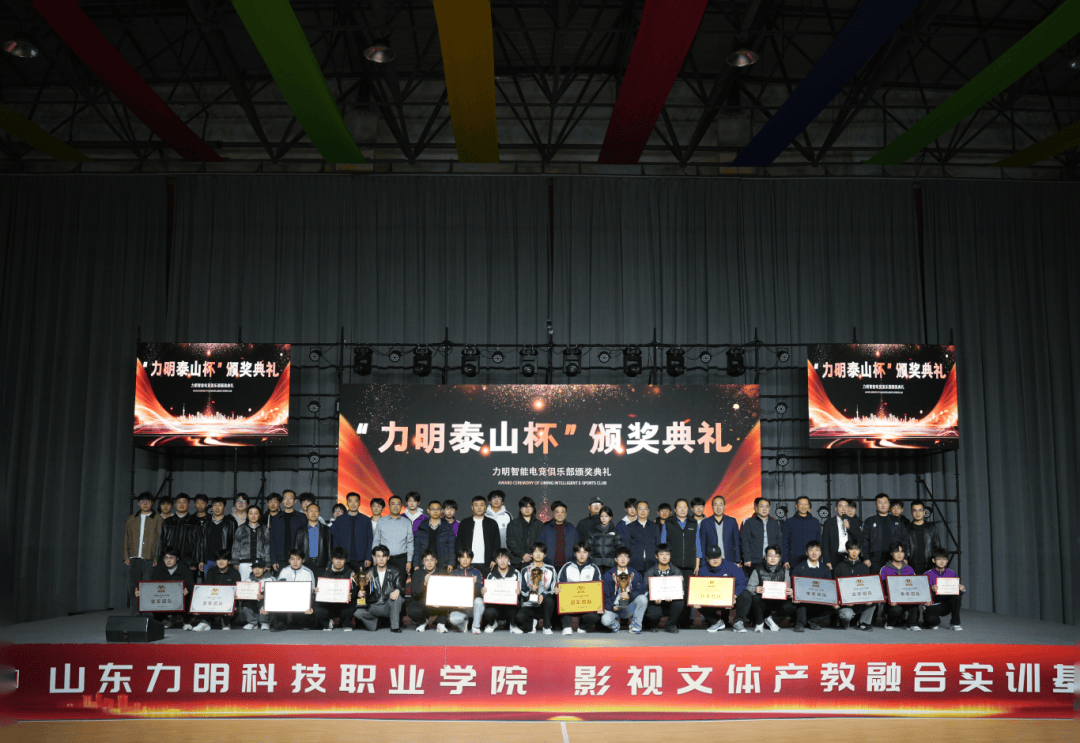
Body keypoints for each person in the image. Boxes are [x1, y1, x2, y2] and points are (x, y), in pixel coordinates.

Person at [659, 499, 700, 627]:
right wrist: (665, 564)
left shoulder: (693, 523)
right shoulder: (668, 523)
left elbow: (698, 545)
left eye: (685, 507)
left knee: (687, 594)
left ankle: (685, 622)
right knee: (675, 593)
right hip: (673, 565)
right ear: (675, 509)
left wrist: (697, 564)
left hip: (689, 565)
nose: (682, 510)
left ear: (688, 509)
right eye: (680, 507)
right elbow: (663, 544)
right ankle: (674, 621)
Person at [735, 546, 794, 633]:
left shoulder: (784, 571)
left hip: (778, 600)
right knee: (756, 598)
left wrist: (790, 592)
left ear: (780, 558)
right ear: (765, 557)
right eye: (770, 555)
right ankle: (759, 623)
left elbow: (788, 589)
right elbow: (749, 587)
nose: (773, 558)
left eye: (776, 556)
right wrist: (755, 589)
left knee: (793, 604)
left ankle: (772, 620)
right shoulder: (758, 569)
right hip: (763, 601)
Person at [123, 492, 163, 615]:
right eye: (142, 501)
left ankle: (148, 615)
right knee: (133, 587)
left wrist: (157, 557)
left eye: (148, 501)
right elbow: (127, 537)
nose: (145, 503)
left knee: (149, 587)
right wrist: (126, 556)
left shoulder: (158, 518)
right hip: (134, 558)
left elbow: (161, 539)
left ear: (152, 503)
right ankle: (135, 614)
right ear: (139, 503)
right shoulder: (132, 518)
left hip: (150, 558)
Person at [136, 546, 193, 630]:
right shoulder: (158, 569)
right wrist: (142, 591)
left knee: (190, 596)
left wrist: (186, 589)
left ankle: (186, 621)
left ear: (177, 558)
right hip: (164, 598)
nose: (168, 560)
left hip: (179, 598)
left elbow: (190, 584)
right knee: (152, 598)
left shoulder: (185, 569)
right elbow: (152, 586)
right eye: (166, 558)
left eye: (171, 557)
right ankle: (165, 620)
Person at [695, 544, 748, 632]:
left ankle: (738, 622)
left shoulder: (731, 566)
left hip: (730, 599)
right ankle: (716, 621)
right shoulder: (703, 570)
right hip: (713, 599)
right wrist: (697, 600)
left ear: (721, 556)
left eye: (717, 557)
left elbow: (742, 581)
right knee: (694, 600)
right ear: (707, 559)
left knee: (746, 595)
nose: (715, 560)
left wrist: (735, 595)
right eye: (712, 558)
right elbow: (700, 589)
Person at [555, 542, 604, 635]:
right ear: (575, 554)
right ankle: (567, 626)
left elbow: (598, 590)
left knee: (596, 615)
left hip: (587, 604)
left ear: (588, 554)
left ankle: (582, 627)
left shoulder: (594, 568)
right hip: (570, 604)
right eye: (579, 552)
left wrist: (599, 605)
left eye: (585, 552)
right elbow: (559, 584)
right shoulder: (567, 567)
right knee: (561, 601)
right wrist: (557, 589)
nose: (582, 555)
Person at [355, 545, 404, 632]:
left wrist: (398, 590)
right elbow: (365, 591)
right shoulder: (368, 573)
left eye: (384, 556)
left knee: (398, 598)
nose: (381, 559)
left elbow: (401, 588)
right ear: (374, 558)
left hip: (388, 605)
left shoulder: (395, 572)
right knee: (357, 613)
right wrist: (362, 593)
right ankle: (377, 622)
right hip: (374, 606)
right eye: (378, 556)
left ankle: (395, 626)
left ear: (388, 557)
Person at [790, 541, 837, 632]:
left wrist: (833, 601)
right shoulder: (799, 568)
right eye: (811, 550)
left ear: (820, 553)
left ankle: (813, 621)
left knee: (835, 606)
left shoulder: (825, 569)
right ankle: (800, 623)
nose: (814, 553)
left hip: (819, 600)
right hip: (804, 602)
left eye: (817, 550)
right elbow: (794, 586)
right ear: (807, 553)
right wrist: (795, 595)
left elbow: (829, 588)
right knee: (799, 599)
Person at [600, 547, 648, 634]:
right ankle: (615, 625)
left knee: (643, 599)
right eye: (620, 556)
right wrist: (612, 607)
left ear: (629, 559)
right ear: (616, 559)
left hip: (629, 607)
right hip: (614, 608)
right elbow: (605, 595)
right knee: (605, 620)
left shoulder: (634, 573)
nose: (623, 559)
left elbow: (641, 590)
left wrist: (630, 595)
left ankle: (635, 626)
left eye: (625, 556)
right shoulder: (608, 575)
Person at [832, 540, 877, 631]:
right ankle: (844, 621)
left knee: (874, 601)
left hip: (859, 601)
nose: (854, 552)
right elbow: (835, 588)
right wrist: (844, 601)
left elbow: (867, 586)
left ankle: (863, 623)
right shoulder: (839, 567)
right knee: (847, 616)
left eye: (856, 549)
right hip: (845, 604)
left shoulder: (864, 568)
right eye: (851, 549)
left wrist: (869, 598)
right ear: (847, 550)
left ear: (860, 551)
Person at [860, 494, 910, 573]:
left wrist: (905, 557)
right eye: (880, 502)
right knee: (877, 580)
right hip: (875, 560)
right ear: (876, 505)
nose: (883, 505)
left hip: (894, 559)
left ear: (889, 505)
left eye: (885, 502)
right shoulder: (869, 521)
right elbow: (864, 541)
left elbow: (905, 540)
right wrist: (866, 558)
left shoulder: (897, 521)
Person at [514, 543, 557, 634]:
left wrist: (543, 595)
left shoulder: (551, 569)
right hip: (530, 605)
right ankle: (532, 623)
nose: (538, 554)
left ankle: (547, 626)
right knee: (519, 617)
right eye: (535, 551)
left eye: (541, 552)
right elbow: (523, 590)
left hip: (545, 606)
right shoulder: (525, 570)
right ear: (531, 554)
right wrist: (532, 592)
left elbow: (552, 588)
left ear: (545, 555)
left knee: (549, 600)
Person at [270, 549, 317, 631]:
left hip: (302, 599)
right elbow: (279, 588)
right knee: (277, 596)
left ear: (303, 560)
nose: (295, 562)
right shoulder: (284, 571)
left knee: (310, 598)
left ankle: (304, 621)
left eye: (298, 559)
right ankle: (281, 622)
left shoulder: (308, 572)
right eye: (292, 559)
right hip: (287, 598)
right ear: (289, 560)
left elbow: (312, 591)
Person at [879, 542, 922, 630]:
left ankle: (912, 624)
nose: (899, 554)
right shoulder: (884, 569)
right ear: (891, 553)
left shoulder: (909, 569)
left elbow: (915, 586)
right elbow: (881, 589)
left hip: (906, 599)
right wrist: (889, 599)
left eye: (902, 551)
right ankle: (889, 622)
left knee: (915, 602)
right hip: (891, 602)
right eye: (896, 551)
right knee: (895, 610)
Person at [643, 544, 684, 633]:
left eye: (667, 554)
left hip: (671, 602)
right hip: (656, 603)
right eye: (661, 554)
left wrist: (673, 596)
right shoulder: (649, 572)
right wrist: (653, 598)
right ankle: (653, 624)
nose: (664, 557)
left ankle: (670, 625)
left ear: (670, 556)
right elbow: (645, 591)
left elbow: (681, 590)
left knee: (680, 602)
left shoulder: (677, 571)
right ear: (656, 556)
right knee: (653, 615)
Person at [196, 549, 241, 631]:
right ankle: (206, 622)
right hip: (214, 600)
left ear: (229, 561)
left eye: (224, 559)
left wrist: (235, 599)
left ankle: (226, 621)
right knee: (202, 599)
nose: (221, 562)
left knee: (234, 606)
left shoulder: (235, 573)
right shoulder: (211, 571)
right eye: (218, 559)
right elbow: (208, 588)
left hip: (228, 600)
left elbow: (236, 591)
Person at [330, 492, 374, 573]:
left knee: (361, 580)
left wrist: (368, 557)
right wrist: (336, 558)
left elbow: (370, 540)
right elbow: (336, 541)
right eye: (350, 501)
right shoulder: (340, 520)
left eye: (356, 501)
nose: (353, 504)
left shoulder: (366, 520)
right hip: (343, 559)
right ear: (347, 503)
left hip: (362, 560)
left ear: (359, 503)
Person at [314, 547, 356, 631]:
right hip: (329, 604)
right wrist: (317, 592)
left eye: (342, 559)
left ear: (345, 560)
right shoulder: (325, 573)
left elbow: (355, 591)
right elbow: (320, 592)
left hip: (344, 604)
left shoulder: (351, 573)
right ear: (332, 559)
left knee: (352, 605)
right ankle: (328, 623)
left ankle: (346, 623)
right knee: (316, 608)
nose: (339, 561)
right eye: (336, 558)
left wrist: (351, 596)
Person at [455, 494, 501, 571]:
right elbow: (459, 542)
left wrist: (494, 559)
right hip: (468, 562)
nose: (479, 507)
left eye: (482, 505)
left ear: (485, 507)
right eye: (476, 505)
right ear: (472, 507)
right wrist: (461, 559)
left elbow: (496, 543)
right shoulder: (465, 523)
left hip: (487, 563)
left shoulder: (492, 523)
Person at [923, 547, 965, 631]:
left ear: (947, 561)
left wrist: (961, 589)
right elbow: (923, 594)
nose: (942, 561)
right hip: (933, 605)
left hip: (946, 604)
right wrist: (932, 590)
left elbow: (957, 591)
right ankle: (932, 620)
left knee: (957, 597)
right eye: (939, 559)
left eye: (944, 559)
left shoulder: (952, 573)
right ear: (933, 560)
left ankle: (955, 623)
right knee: (931, 621)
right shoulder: (927, 574)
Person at [372, 495, 414, 578]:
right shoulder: (381, 521)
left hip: (401, 560)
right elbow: (376, 541)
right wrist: (374, 559)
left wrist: (409, 561)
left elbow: (410, 543)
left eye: (398, 504)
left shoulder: (407, 522)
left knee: (400, 584)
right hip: (384, 559)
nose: (395, 507)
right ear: (389, 506)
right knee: (384, 584)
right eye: (393, 504)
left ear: (401, 506)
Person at [407, 550, 448, 632]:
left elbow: (447, 591)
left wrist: (439, 600)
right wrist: (424, 584)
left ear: (436, 561)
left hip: (439, 603)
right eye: (426, 560)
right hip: (423, 603)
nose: (429, 563)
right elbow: (414, 593)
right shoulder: (417, 573)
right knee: (412, 609)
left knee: (449, 601)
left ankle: (441, 623)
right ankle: (423, 622)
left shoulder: (443, 572)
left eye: (432, 560)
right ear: (423, 562)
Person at [481, 549, 520, 633]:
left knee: (515, 608)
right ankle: (492, 624)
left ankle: (513, 625)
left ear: (509, 560)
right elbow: (487, 594)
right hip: (496, 606)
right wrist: (484, 592)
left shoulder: (516, 573)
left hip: (510, 606)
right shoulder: (491, 575)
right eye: (499, 558)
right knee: (489, 612)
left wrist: (519, 592)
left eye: (505, 558)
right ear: (495, 560)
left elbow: (521, 591)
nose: (502, 561)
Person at [740, 497, 782, 574]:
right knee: (753, 580)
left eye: (767, 506)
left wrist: (779, 559)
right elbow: (745, 542)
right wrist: (746, 558)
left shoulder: (775, 523)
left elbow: (779, 542)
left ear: (769, 508)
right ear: (756, 508)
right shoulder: (749, 522)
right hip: (753, 561)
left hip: (771, 560)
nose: (764, 509)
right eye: (761, 506)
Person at [448, 548, 485, 634]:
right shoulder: (453, 573)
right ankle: (463, 625)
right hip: (459, 608)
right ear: (458, 559)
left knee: (479, 601)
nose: (465, 560)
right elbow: (450, 594)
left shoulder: (477, 573)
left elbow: (480, 593)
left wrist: (475, 584)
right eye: (462, 557)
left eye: (468, 557)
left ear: (471, 559)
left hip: (473, 608)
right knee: (453, 619)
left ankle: (476, 626)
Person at [698, 495, 740, 568]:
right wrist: (703, 562)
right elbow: (702, 544)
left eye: (720, 504)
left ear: (724, 506)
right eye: (716, 505)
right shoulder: (705, 523)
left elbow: (737, 542)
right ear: (712, 507)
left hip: (729, 560)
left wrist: (737, 560)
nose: (718, 507)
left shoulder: (732, 521)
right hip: (711, 561)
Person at [413, 499, 456, 570]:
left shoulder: (447, 526)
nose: (435, 511)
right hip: (425, 562)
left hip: (443, 562)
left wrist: (451, 563)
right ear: (428, 510)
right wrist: (416, 564)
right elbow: (417, 546)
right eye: (433, 509)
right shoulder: (422, 526)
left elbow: (451, 546)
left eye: (438, 509)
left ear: (441, 511)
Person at [231, 504, 270, 581]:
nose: (253, 516)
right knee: (245, 585)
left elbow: (267, 547)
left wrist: (268, 563)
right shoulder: (241, 529)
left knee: (260, 585)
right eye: (251, 513)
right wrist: (235, 562)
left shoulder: (264, 529)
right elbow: (235, 547)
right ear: (247, 515)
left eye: (256, 513)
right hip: (244, 563)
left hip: (260, 564)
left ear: (259, 515)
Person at [269, 492, 305, 573]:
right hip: (280, 559)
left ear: (295, 501)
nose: (288, 500)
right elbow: (272, 541)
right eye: (285, 498)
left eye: (290, 498)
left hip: (297, 559)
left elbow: (305, 539)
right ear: (282, 501)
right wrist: (274, 560)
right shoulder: (276, 519)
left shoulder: (301, 517)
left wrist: (303, 558)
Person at [781, 496, 822, 568]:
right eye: (801, 504)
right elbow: (785, 543)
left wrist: (819, 558)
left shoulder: (815, 522)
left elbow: (819, 542)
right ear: (796, 506)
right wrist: (785, 560)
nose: (803, 507)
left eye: (806, 504)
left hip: (812, 559)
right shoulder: (789, 522)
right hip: (794, 560)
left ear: (809, 506)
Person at [200, 497, 237, 576]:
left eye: (220, 505)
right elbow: (201, 542)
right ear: (211, 507)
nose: (217, 508)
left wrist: (232, 559)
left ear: (224, 508)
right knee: (208, 582)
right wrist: (201, 560)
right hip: (208, 560)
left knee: (223, 582)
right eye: (215, 505)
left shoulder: (231, 522)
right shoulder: (206, 522)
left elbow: (235, 543)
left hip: (224, 560)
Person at [293, 501, 333, 572]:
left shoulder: (326, 530)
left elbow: (330, 548)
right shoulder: (300, 530)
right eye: (311, 511)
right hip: (304, 564)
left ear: (319, 513)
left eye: (316, 511)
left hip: (322, 564)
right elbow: (296, 549)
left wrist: (329, 564)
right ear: (307, 513)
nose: (313, 513)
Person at [506, 496, 544, 568]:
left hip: (535, 561)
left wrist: (532, 555)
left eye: (529, 507)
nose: (527, 509)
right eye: (524, 507)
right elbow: (510, 542)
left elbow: (542, 542)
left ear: (533, 508)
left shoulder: (539, 524)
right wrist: (522, 555)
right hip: (517, 561)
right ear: (520, 509)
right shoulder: (513, 524)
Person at [623, 500, 660, 573]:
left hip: (652, 563)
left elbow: (658, 544)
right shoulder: (630, 527)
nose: (643, 511)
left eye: (645, 509)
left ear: (648, 511)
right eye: (640, 509)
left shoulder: (654, 526)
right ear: (636, 510)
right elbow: (627, 546)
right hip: (635, 563)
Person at [906, 500, 942, 575]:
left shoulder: (931, 527)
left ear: (924, 512)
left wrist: (937, 562)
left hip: (929, 565)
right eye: (915, 510)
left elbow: (937, 547)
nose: (918, 513)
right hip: (912, 566)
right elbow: (905, 548)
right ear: (911, 513)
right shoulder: (907, 529)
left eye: (920, 510)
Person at [540, 501, 579, 570]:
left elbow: (577, 548)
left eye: (562, 512)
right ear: (553, 513)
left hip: (568, 566)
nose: (560, 514)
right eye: (557, 512)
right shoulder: (546, 528)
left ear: (566, 514)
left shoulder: (572, 529)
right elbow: (541, 547)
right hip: (549, 566)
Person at [238, 558, 273, 631]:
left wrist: (263, 596)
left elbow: (274, 595)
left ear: (265, 569)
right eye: (254, 568)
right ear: (251, 569)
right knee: (245, 603)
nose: (257, 570)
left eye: (260, 568)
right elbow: (244, 595)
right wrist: (239, 596)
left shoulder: (271, 579)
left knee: (267, 603)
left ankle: (265, 622)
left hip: (263, 604)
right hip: (253, 604)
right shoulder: (248, 580)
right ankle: (252, 623)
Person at [586, 506, 624, 572]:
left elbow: (619, 548)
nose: (604, 518)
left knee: (609, 578)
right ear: (599, 517)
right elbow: (589, 547)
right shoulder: (593, 532)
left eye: (606, 516)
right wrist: (591, 560)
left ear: (610, 517)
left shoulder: (616, 532)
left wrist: (616, 560)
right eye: (602, 516)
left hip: (611, 563)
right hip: (596, 563)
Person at [822, 499, 856, 569]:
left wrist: (849, 527)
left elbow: (858, 539)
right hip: (834, 557)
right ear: (836, 509)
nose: (843, 509)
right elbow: (825, 543)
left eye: (846, 506)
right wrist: (827, 561)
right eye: (841, 506)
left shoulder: (854, 522)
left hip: (850, 556)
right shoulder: (829, 523)